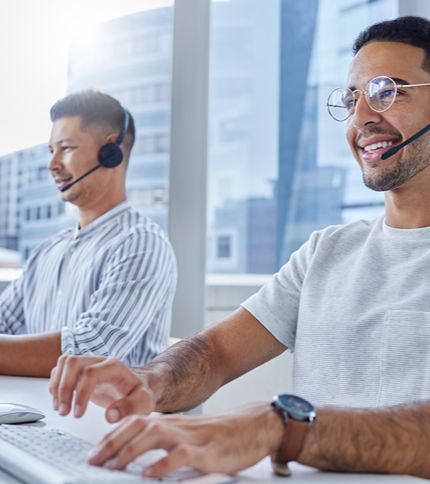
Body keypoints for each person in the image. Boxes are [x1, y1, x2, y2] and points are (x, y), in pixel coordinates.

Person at [49, 16, 430, 479]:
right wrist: (152, 379)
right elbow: (216, 354)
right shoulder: (326, 251)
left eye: (388, 91)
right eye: (352, 100)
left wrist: (281, 429)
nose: (362, 118)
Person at [0, 90, 177, 377]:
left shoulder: (141, 243)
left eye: (66, 148)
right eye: (50, 151)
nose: (52, 164)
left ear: (110, 152)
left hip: (105, 421)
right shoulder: (48, 251)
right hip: (31, 417)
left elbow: (90, 351)